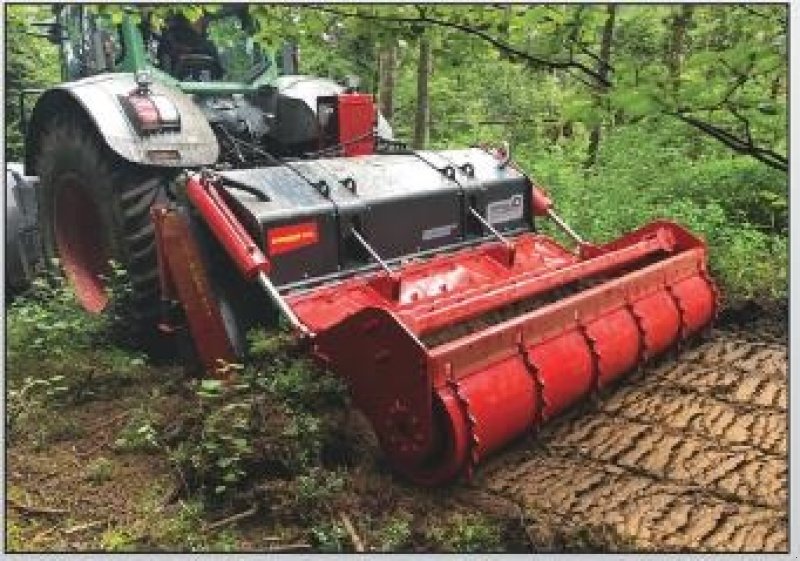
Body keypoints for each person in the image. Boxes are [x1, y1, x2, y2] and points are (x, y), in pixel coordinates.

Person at [156, 14, 223, 80]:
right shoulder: (167, 43)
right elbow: (164, 78)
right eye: (202, 19)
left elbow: (217, 77)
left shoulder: (209, 47)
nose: (205, 23)